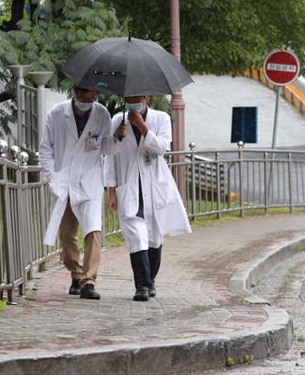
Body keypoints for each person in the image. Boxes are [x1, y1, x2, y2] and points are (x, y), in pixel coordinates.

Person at [104, 96, 191, 302]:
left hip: (154, 187)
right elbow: (110, 156)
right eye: (130, 98)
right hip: (129, 186)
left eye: (138, 97)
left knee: (154, 237)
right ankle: (142, 285)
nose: (133, 101)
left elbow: (162, 147)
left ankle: (149, 280)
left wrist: (142, 127)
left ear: (147, 98)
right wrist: (111, 190)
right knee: (136, 236)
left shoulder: (161, 118)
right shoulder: (117, 120)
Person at [39, 86, 123, 299]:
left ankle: (89, 281)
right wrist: (53, 177)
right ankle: (76, 273)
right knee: (67, 235)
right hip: (64, 182)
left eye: (94, 93)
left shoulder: (102, 113)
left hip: (89, 181)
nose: (90, 97)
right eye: (86, 93)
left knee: (93, 230)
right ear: (75, 91)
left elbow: (106, 148)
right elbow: (45, 149)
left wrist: (117, 138)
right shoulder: (57, 114)